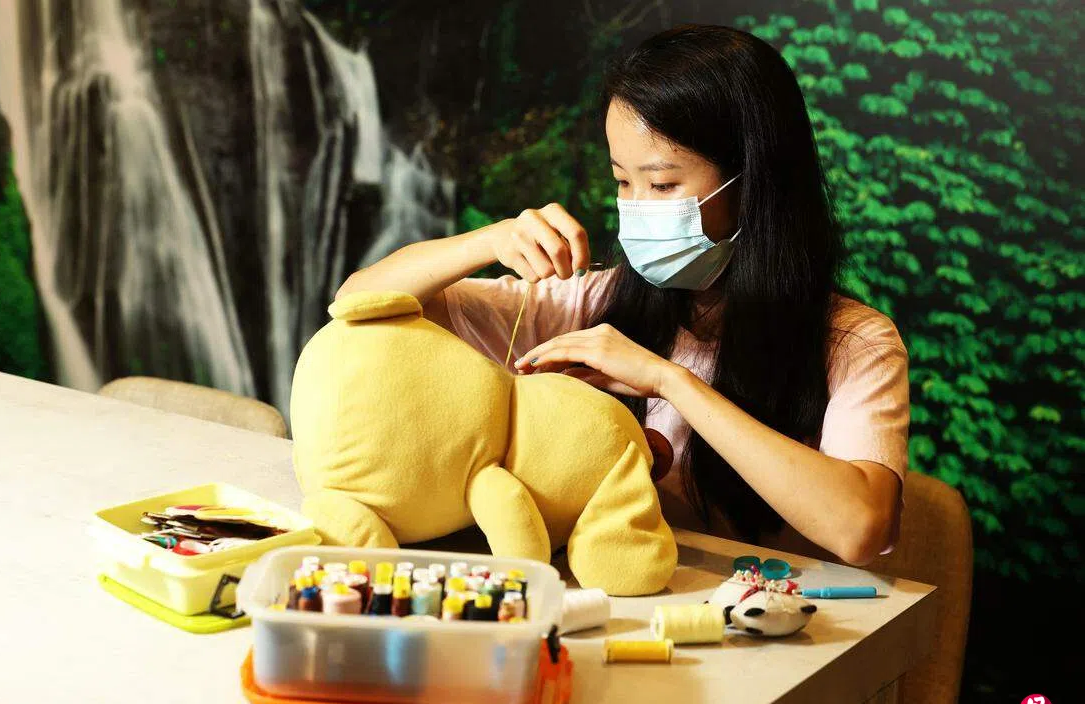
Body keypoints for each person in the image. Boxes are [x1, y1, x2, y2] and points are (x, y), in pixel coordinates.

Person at [335, 25, 909, 566]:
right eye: (622, 181)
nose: (635, 206)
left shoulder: (852, 341)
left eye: (661, 184)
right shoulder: (589, 302)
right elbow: (359, 305)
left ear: (754, 183)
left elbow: (860, 528)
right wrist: (488, 240)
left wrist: (668, 381)